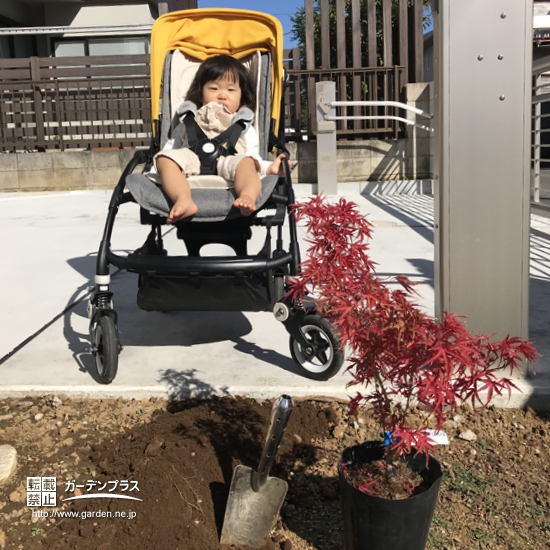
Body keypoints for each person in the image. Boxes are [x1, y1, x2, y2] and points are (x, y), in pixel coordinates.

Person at [153, 54, 288, 224]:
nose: (222, 95)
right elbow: (171, 150)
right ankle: (183, 198)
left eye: (230, 90)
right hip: (191, 160)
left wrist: (271, 168)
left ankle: (247, 196)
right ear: (201, 94)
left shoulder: (244, 127)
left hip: (229, 161)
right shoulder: (187, 122)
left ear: (241, 98)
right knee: (165, 158)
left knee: (247, 162)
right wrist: (158, 167)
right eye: (214, 89)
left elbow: (255, 160)